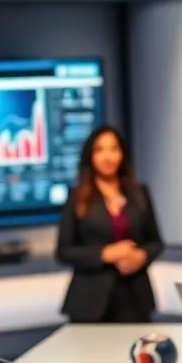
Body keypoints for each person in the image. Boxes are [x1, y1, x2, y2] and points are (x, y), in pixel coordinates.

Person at [56, 124, 164, 323]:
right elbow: (63, 251)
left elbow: (156, 242)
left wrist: (142, 256)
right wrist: (105, 254)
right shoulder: (77, 197)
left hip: (135, 298)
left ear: (122, 154)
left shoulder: (139, 193)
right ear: (91, 155)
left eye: (114, 149)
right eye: (100, 150)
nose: (108, 157)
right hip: (90, 302)